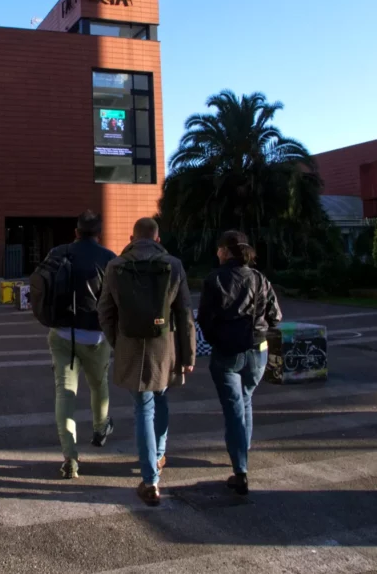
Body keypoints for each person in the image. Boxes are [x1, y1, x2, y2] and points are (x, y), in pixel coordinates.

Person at [97, 217, 196, 506]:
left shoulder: (115, 266)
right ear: (157, 238)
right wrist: (188, 355)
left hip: (130, 344)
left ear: (131, 237)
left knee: (143, 407)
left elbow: (104, 310)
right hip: (164, 346)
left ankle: (150, 480)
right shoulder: (173, 265)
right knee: (161, 398)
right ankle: (159, 453)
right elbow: (185, 313)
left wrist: (118, 341)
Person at [197, 230, 282, 496]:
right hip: (258, 350)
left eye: (219, 249)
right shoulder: (259, 278)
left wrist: (217, 339)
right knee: (245, 399)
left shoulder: (215, 279)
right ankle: (242, 451)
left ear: (226, 251)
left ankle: (240, 470)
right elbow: (276, 316)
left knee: (234, 409)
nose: (217, 253)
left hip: (227, 352)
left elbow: (205, 319)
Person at [34, 210, 117, 479]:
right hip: (95, 337)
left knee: (64, 393)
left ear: (76, 232)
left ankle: (70, 457)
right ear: (99, 234)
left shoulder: (58, 252)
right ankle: (100, 427)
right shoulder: (108, 258)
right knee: (98, 384)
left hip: (60, 334)